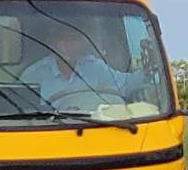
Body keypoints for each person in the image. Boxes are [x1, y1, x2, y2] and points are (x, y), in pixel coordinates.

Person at [20, 23, 150, 110]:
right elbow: (20, 111)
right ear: (52, 43)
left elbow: (126, 84)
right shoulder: (33, 75)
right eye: (62, 39)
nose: (69, 44)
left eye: (74, 39)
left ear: (83, 44)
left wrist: (149, 69)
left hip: (92, 131)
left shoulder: (95, 68)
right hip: (47, 135)